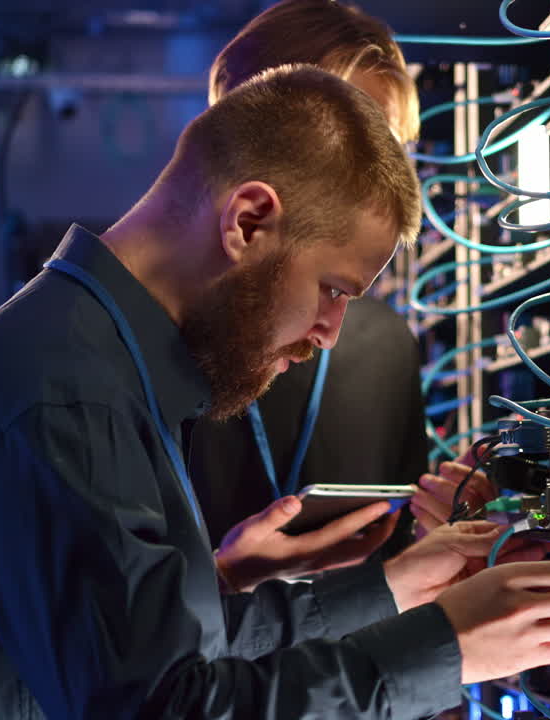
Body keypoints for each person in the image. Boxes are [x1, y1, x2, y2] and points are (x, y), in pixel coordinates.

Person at [0, 66, 550, 718]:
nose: (330, 333)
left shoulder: (94, 361)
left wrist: (396, 590)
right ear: (248, 222)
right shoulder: (67, 396)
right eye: (333, 289)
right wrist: (448, 648)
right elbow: (168, 707)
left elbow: (166, 655)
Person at [191, 0, 494, 582]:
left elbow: (392, 567)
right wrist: (226, 583)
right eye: (352, 142)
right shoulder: (143, 340)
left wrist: (439, 536)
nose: (376, 180)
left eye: (388, 150)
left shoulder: (382, 342)